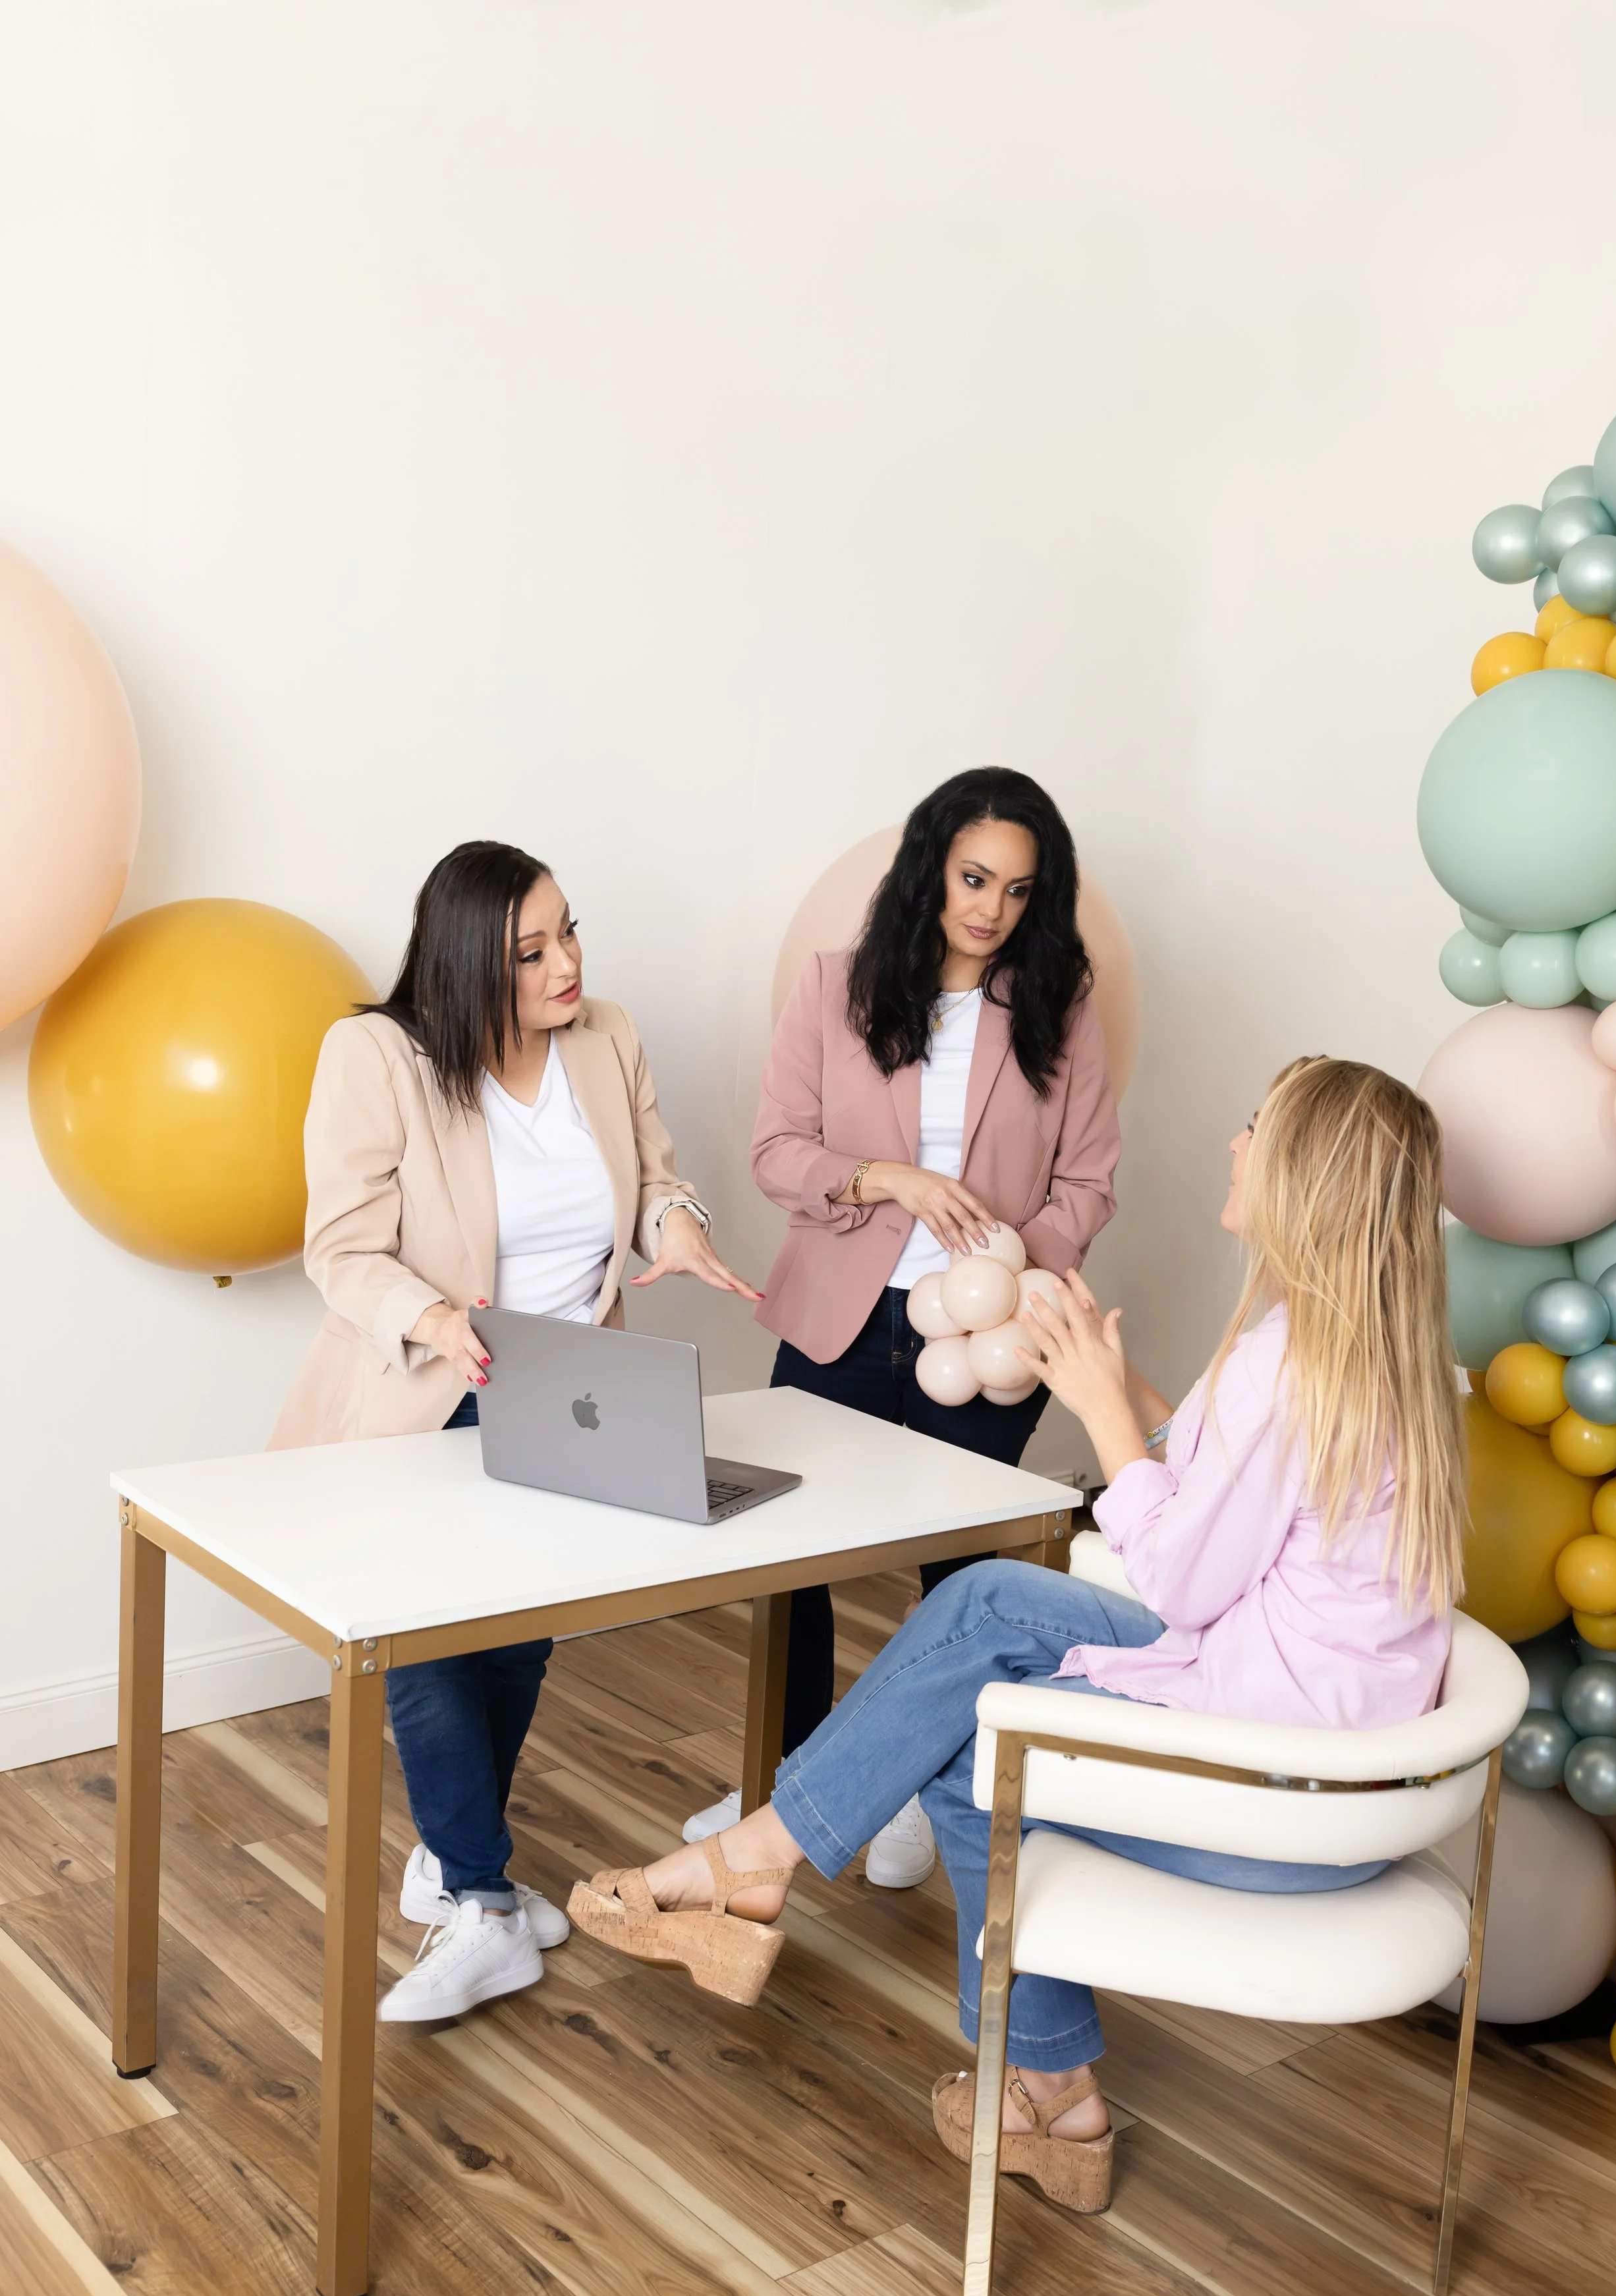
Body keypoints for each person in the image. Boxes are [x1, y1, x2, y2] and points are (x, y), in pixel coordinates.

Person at [571, 1057, 1464, 2216]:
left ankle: (1025, 2074)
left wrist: (1095, 1410)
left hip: (1277, 1795)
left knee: (967, 1746)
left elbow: (1185, 1578)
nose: (1235, 1146)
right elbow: (1212, 1489)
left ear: (1306, 1175)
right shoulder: (1347, 1346)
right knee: (988, 1602)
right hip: (1313, 1749)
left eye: (1256, 1129)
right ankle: (788, 1893)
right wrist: (1102, 1366)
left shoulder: (1292, 1368)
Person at [271, 840, 760, 2024]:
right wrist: (435, 1316)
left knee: (521, 1634)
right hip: (434, 1385)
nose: (566, 965)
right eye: (530, 951)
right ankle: (485, 1901)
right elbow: (339, 1248)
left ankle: (455, 1864)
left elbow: (655, 1179)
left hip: (570, 1384)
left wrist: (677, 1229)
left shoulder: (607, 1036)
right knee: (431, 1637)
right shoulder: (378, 1055)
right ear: (462, 965)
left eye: (569, 933)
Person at [680, 768, 1121, 1884]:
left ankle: (925, 1785)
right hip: (838, 1318)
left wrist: (1014, 1274)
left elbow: (1089, 1183)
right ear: (931, 867)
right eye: (975, 878)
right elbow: (777, 1151)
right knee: (796, 1559)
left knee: (961, 1580)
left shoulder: (1064, 1009)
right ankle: (792, 1775)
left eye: (1020, 892)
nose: (991, 909)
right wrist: (891, 1180)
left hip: (984, 1344)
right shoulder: (835, 988)